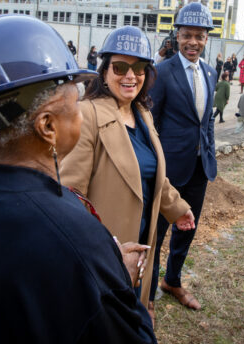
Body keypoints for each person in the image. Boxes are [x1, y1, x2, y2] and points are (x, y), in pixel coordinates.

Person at [0, 15, 156, 343]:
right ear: (47, 126)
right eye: (76, 103)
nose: (81, 111)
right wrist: (117, 277)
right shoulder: (74, 234)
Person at [61, 26, 195, 321]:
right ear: (105, 70)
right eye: (120, 67)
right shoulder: (88, 115)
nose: (130, 76)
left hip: (142, 243)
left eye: (139, 68)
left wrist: (177, 208)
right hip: (107, 252)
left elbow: (151, 174)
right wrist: (106, 248)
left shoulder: (143, 114)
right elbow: (71, 194)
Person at [148, 2, 218, 313]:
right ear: (177, 36)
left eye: (199, 36)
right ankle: (147, 296)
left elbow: (208, 121)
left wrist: (210, 153)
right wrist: (155, 167)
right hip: (169, 170)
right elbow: (151, 124)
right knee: (156, 232)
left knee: (186, 230)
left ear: (206, 39)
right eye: (187, 35)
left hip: (199, 169)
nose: (193, 42)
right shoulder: (161, 73)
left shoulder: (211, 72)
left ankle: (172, 281)